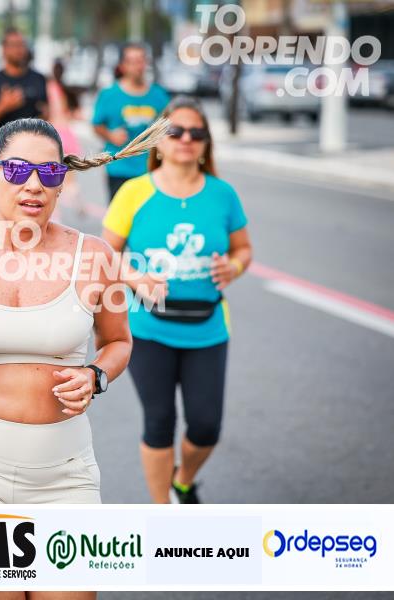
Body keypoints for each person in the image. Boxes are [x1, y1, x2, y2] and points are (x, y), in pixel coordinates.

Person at [0, 117, 167, 520]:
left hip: (67, 474)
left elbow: (118, 343)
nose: (34, 184)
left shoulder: (94, 256)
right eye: (18, 170)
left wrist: (95, 375)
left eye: (50, 172)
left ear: (61, 183)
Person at [100, 96, 253, 503]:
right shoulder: (133, 192)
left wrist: (233, 267)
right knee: (159, 420)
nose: (186, 138)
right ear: (159, 141)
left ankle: (182, 481)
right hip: (148, 327)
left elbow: (243, 249)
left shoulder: (223, 194)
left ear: (206, 143)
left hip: (208, 327)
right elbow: (104, 254)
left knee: (206, 427)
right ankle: (161, 512)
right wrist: (135, 278)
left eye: (196, 132)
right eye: (176, 131)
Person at [0, 28, 48, 216]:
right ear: (4, 49)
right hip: (2, 158)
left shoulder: (38, 79)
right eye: (14, 45)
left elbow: (46, 114)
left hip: (33, 158)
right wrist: (3, 106)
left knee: (30, 214)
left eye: (22, 45)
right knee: (3, 216)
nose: (19, 50)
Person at [92, 43, 170, 202]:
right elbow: (96, 125)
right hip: (119, 169)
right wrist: (110, 135)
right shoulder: (109, 94)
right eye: (132, 61)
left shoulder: (159, 95)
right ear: (122, 66)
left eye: (141, 60)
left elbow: (169, 125)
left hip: (150, 170)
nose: (138, 66)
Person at [46, 59, 83, 218]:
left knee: (50, 177)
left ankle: (55, 213)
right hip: (67, 134)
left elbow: (46, 112)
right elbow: (76, 114)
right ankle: (77, 201)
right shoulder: (66, 90)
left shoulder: (48, 89)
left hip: (52, 134)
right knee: (69, 177)